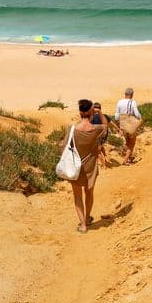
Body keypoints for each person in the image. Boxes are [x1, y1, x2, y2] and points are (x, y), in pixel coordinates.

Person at [65, 99, 107, 233]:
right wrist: (99, 113)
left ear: (79, 112)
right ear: (91, 112)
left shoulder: (72, 130)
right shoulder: (95, 129)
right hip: (91, 166)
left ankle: (83, 225)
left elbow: (64, 146)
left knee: (77, 195)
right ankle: (88, 217)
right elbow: (106, 126)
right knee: (89, 193)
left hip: (76, 167)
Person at [114, 87, 142, 165]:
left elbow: (116, 116)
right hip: (130, 124)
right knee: (132, 142)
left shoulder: (119, 102)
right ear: (132, 95)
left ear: (125, 94)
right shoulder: (132, 102)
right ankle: (126, 160)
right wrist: (140, 118)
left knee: (127, 142)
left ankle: (129, 158)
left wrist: (118, 125)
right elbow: (136, 113)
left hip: (122, 124)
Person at [90, 102, 110, 166]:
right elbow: (111, 123)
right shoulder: (105, 116)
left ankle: (104, 165)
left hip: (97, 136)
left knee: (97, 151)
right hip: (104, 135)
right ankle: (105, 161)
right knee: (101, 148)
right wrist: (118, 129)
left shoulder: (92, 117)